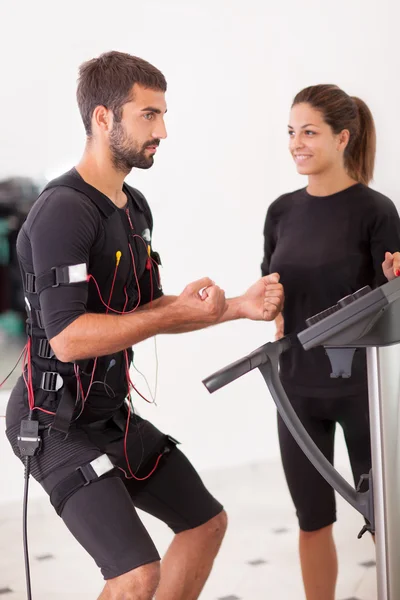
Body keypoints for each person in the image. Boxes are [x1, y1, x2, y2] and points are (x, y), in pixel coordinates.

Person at [5, 51, 283, 600]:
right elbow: (67, 337)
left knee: (205, 525)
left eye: (162, 115)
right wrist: (174, 312)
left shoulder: (134, 207)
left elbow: (150, 309)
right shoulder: (63, 209)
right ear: (103, 118)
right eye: (148, 115)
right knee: (134, 575)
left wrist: (237, 307)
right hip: (53, 422)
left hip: (106, 414)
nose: (162, 130)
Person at [261, 84, 400, 600]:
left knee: (386, 515)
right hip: (296, 393)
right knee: (311, 519)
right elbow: (271, 293)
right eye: (292, 132)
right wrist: (264, 304)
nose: (297, 143)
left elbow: (393, 303)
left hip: (364, 394)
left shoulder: (376, 211)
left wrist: (394, 283)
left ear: (343, 137)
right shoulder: (280, 212)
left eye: (310, 132)